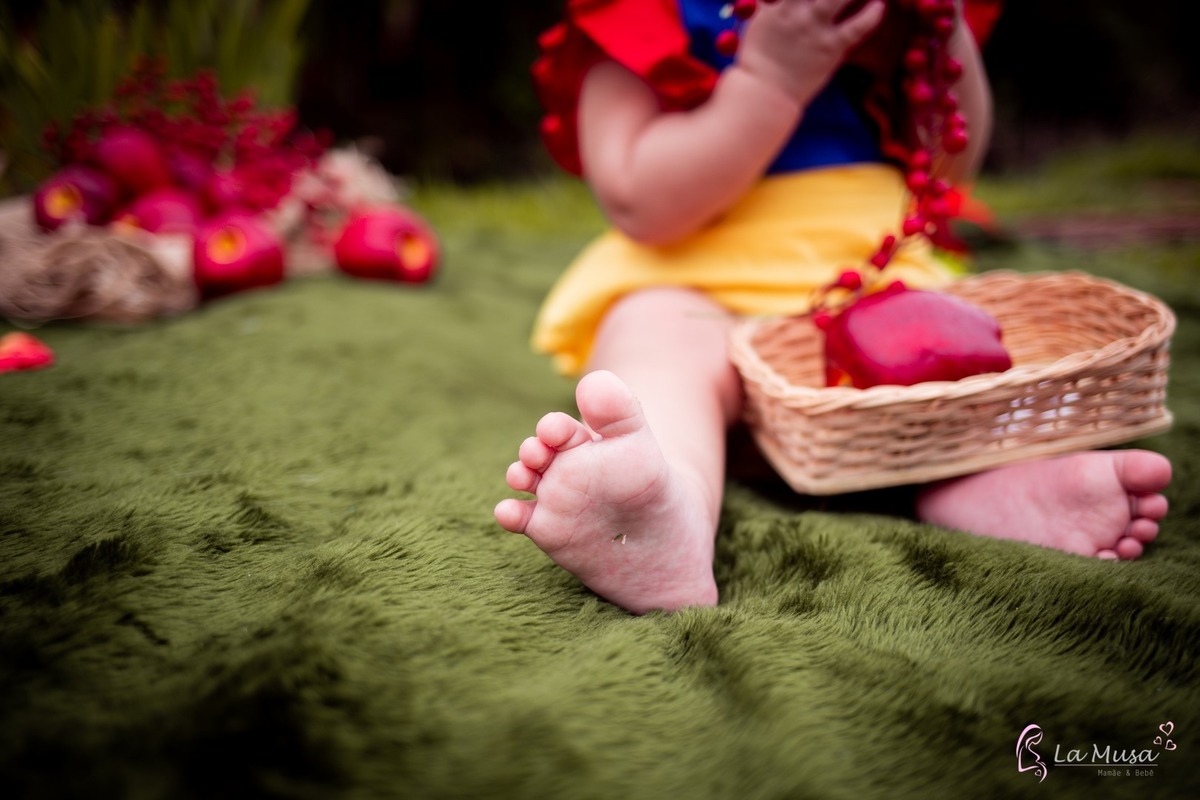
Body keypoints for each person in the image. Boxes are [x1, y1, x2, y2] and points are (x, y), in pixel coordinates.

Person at [493, 0, 1172, 614]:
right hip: (700, 278)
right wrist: (769, 83)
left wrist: (944, 33)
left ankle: (996, 487)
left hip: (873, 273)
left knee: (955, 364)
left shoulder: (888, 16)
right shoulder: (646, 14)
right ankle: (664, 501)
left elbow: (949, 170)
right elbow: (639, 200)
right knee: (656, 338)